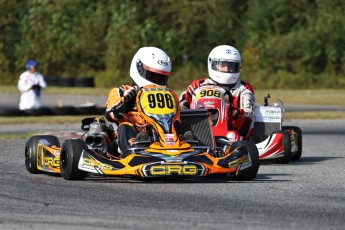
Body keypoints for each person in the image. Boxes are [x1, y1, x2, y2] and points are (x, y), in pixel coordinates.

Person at [105, 47, 173, 154]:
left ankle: (184, 144)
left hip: (159, 133)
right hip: (132, 133)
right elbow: (111, 115)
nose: (156, 82)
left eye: (160, 78)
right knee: (125, 126)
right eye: (153, 76)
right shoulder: (122, 91)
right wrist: (127, 101)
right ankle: (135, 150)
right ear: (139, 68)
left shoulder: (168, 94)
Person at [180, 45, 255, 140]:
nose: (227, 69)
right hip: (197, 126)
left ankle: (239, 145)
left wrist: (231, 110)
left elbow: (249, 113)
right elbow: (181, 107)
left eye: (231, 66)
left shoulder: (243, 88)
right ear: (212, 64)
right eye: (223, 65)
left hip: (230, 131)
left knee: (248, 118)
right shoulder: (198, 85)